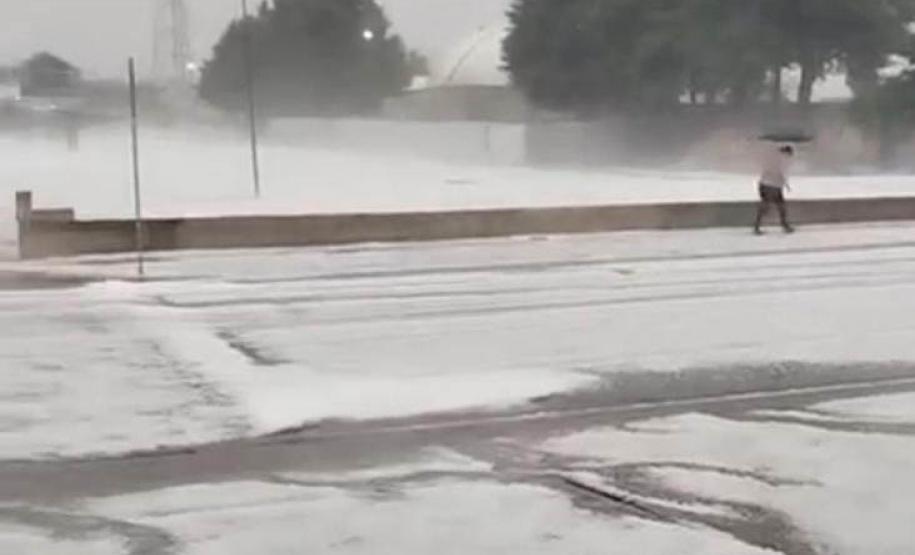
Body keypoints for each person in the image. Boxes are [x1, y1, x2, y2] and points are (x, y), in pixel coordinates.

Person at [754, 144, 795, 234]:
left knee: (769, 206)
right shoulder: (783, 160)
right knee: (778, 206)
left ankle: (758, 226)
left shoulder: (773, 157)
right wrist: (786, 184)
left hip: (765, 184)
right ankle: (784, 225)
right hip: (772, 186)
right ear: (787, 153)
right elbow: (782, 173)